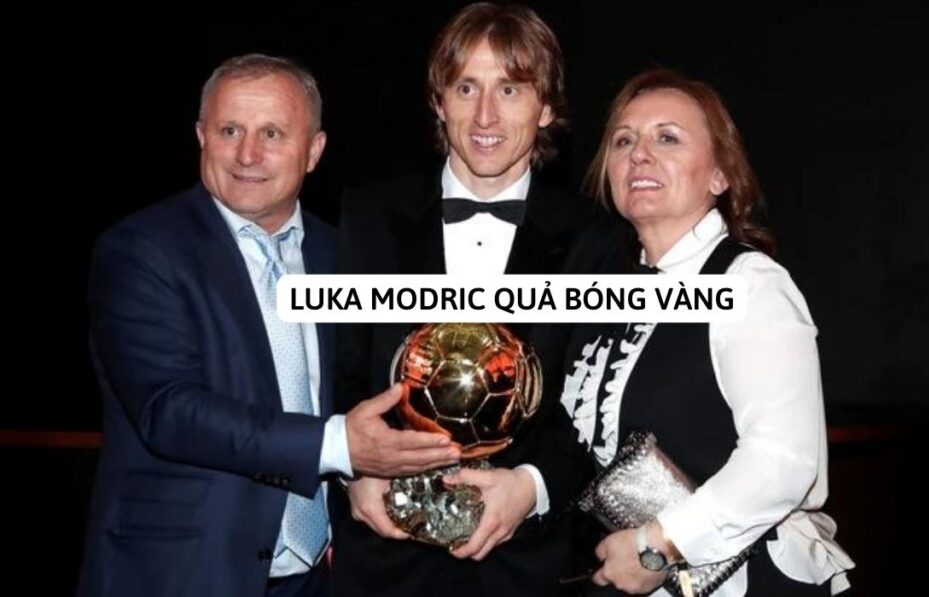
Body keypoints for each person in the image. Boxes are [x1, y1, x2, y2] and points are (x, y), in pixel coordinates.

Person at [78, 53, 457, 597]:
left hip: (322, 578)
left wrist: (361, 472)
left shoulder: (341, 256)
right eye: (230, 130)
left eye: (272, 133)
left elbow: (355, 392)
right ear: (201, 137)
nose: (247, 154)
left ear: (314, 151)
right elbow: (170, 410)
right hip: (182, 575)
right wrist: (339, 447)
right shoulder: (142, 251)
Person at [555, 68, 855, 595]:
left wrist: (660, 544)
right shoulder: (600, 293)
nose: (639, 155)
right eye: (624, 141)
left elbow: (783, 462)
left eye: (667, 138)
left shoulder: (750, 284)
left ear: (719, 175)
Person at [332, 3, 599, 596]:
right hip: (384, 563)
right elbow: (337, 371)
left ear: (546, 108)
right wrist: (352, 473)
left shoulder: (597, 239)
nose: (485, 115)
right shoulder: (368, 216)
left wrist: (532, 486)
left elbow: (594, 408)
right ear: (439, 102)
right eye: (466, 87)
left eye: (510, 89)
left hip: (525, 568)